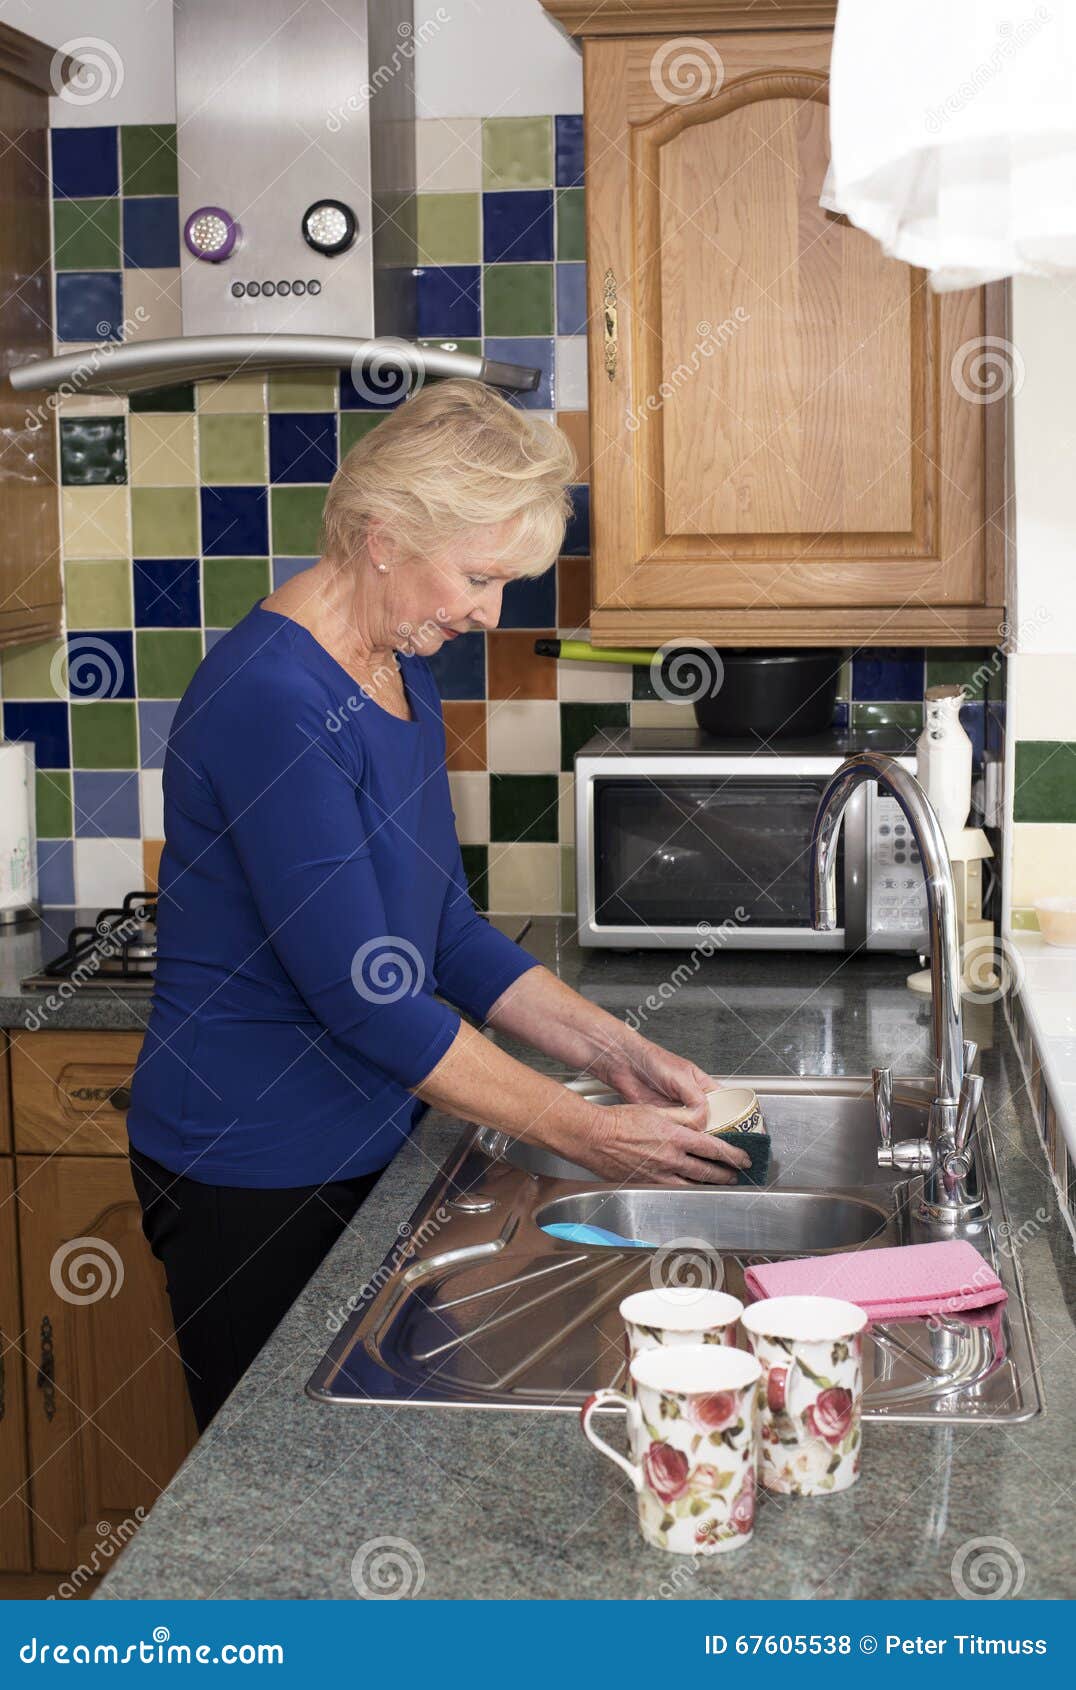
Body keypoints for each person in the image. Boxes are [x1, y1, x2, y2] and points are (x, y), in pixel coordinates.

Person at [126, 378, 747, 1431]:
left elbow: (443, 931)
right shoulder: (272, 700)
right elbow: (365, 997)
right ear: (382, 537)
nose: (488, 613)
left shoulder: (393, 669)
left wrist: (616, 1054)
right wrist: (585, 1132)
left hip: (374, 1142)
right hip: (253, 1168)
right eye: (478, 577)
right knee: (283, 1485)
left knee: (383, 1460)